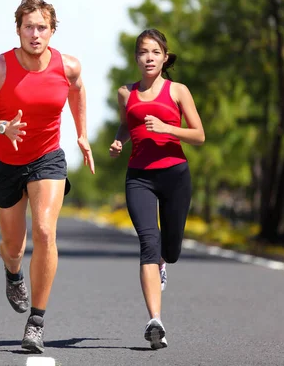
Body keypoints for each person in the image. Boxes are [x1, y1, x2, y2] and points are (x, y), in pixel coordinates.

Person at [0, 0, 95, 354]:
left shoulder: (67, 66)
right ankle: (12, 272)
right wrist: (1, 125)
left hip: (47, 159)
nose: (35, 34)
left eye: (42, 27)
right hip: (6, 164)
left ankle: (36, 322)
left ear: (52, 31)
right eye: (28, 27)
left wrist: (82, 133)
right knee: (13, 246)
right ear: (18, 30)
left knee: (44, 230)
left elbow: (78, 90)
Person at [109, 28, 205, 350]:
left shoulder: (178, 91)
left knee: (171, 249)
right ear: (136, 57)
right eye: (142, 52)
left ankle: (165, 261)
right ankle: (156, 322)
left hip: (175, 175)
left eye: (154, 52)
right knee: (148, 242)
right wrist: (119, 141)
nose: (148, 58)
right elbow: (127, 123)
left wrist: (167, 128)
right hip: (139, 177)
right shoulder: (126, 92)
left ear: (165, 57)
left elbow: (199, 135)